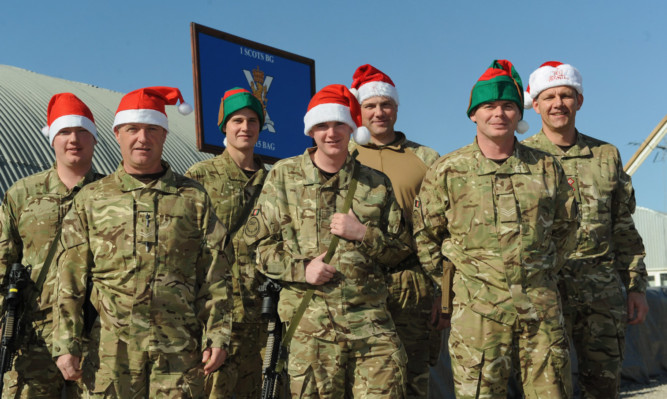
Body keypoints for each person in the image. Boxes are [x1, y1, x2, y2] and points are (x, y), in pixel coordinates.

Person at [51, 86, 233, 398]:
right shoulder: (92, 199)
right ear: (118, 134)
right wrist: (66, 344)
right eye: (133, 129)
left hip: (179, 354)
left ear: (164, 135)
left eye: (152, 129)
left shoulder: (193, 197)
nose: (142, 138)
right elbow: (69, 279)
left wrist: (218, 335)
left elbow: (215, 274)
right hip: (111, 353)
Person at [413, 60, 577, 398]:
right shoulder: (447, 171)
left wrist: (539, 272)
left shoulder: (546, 168)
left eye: (508, 106)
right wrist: (456, 285)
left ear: (519, 115)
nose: (498, 113)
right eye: (489, 106)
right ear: (473, 114)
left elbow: (567, 228)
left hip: (540, 312)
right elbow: (426, 237)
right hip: (477, 314)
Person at [246, 84, 413, 398]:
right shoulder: (283, 176)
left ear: (352, 129)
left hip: (371, 328)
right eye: (322, 126)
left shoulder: (376, 184)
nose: (331, 133)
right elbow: (257, 245)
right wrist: (302, 268)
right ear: (311, 131)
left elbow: (402, 250)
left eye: (339, 124)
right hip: (311, 331)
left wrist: (363, 234)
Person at [522, 61, 649, 398]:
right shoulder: (524, 159)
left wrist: (635, 286)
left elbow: (623, 225)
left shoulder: (606, 155)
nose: (558, 104)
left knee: (604, 385)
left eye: (566, 95)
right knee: (548, 385)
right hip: (547, 289)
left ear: (579, 101)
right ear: (535, 105)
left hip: (601, 290)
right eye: (549, 97)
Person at [348, 64, 443, 398]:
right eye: (370, 106)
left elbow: (442, 228)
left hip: (411, 283)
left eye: (385, 105)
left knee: (412, 375)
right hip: (356, 282)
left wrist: (440, 289)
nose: (379, 112)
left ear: (397, 109)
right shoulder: (343, 154)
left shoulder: (426, 158)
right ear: (358, 111)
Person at [0, 92, 101, 398]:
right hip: (33, 337)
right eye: (64, 131)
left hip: (96, 336)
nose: (74, 139)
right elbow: (3, 261)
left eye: (82, 131)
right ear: (52, 139)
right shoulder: (23, 194)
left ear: (95, 139)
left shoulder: (112, 196)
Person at [185, 87, 268, 398]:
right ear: (225, 127)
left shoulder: (272, 181)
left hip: (261, 309)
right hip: (217, 312)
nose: (245, 128)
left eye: (251, 121)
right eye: (237, 121)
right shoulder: (202, 176)